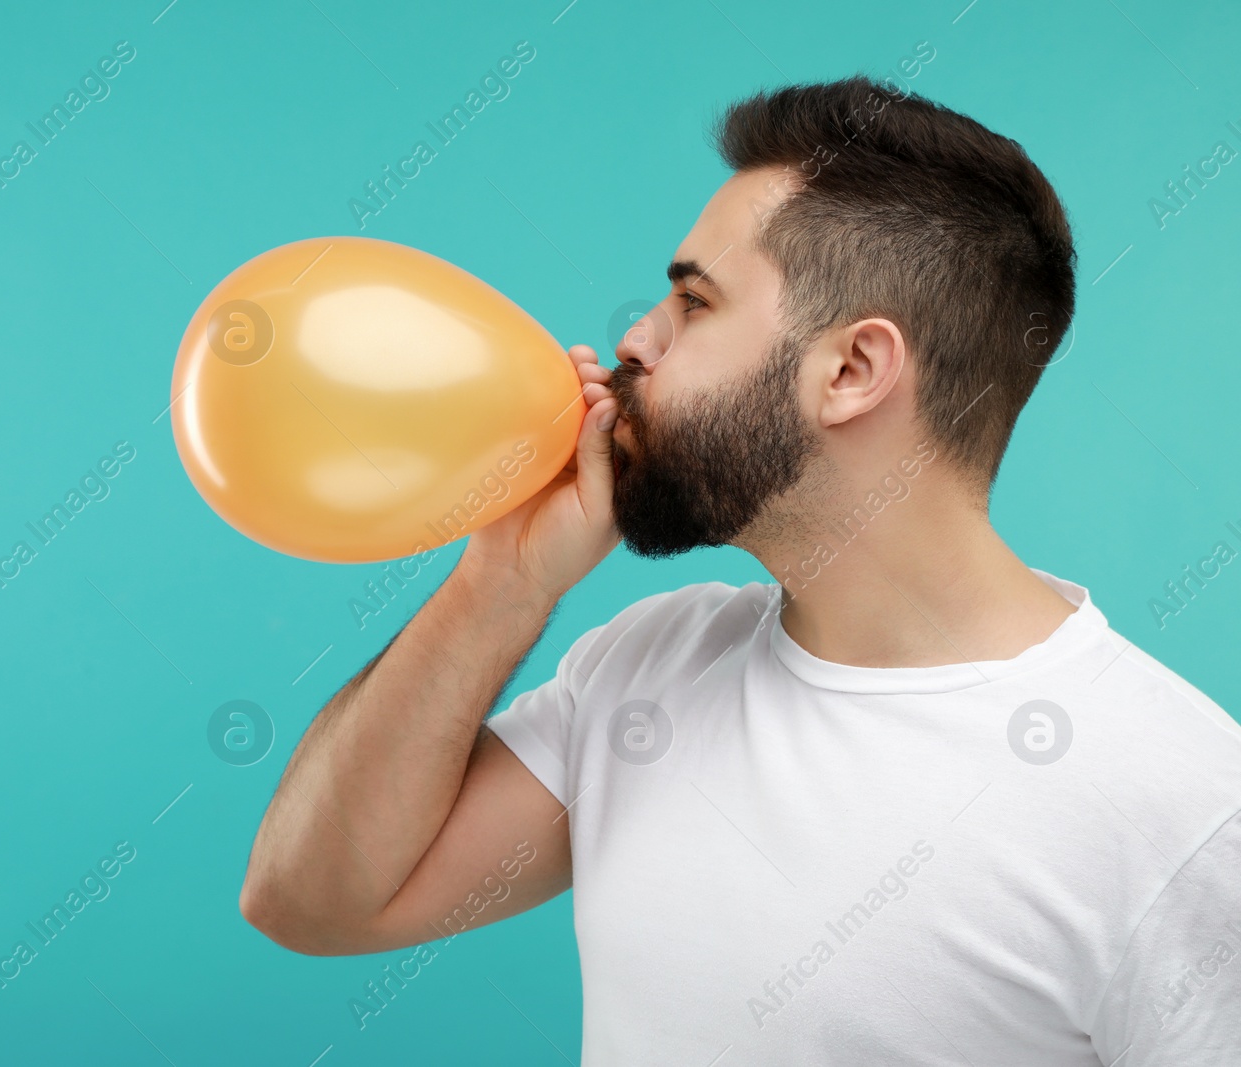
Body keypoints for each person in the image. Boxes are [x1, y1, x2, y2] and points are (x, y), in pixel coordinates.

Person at [238, 75, 1241, 1065]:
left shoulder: (1183, 805)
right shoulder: (647, 664)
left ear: (849, 371)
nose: (634, 339)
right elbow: (311, 899)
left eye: (692, 303)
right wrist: (499, 584)